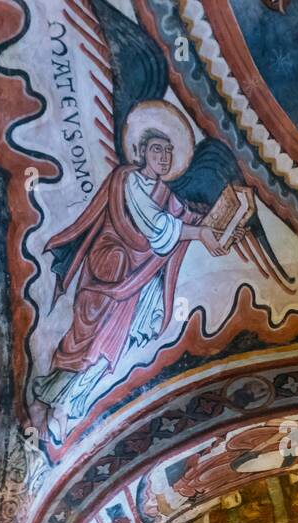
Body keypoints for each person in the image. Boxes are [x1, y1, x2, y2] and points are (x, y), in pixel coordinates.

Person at [32, 127, 223, 444]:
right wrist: (198, 233)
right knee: (86, 338)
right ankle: (46, 399)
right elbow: (157, 226)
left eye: (167, 152)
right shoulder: (127, 179)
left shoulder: (166, 194)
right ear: (142, 151)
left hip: (135, 285)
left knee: (111, 350)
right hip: (110, 270)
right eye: (156, 150)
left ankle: (68, 409)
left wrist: (213, 222)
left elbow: (181, 217)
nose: (162, 158)